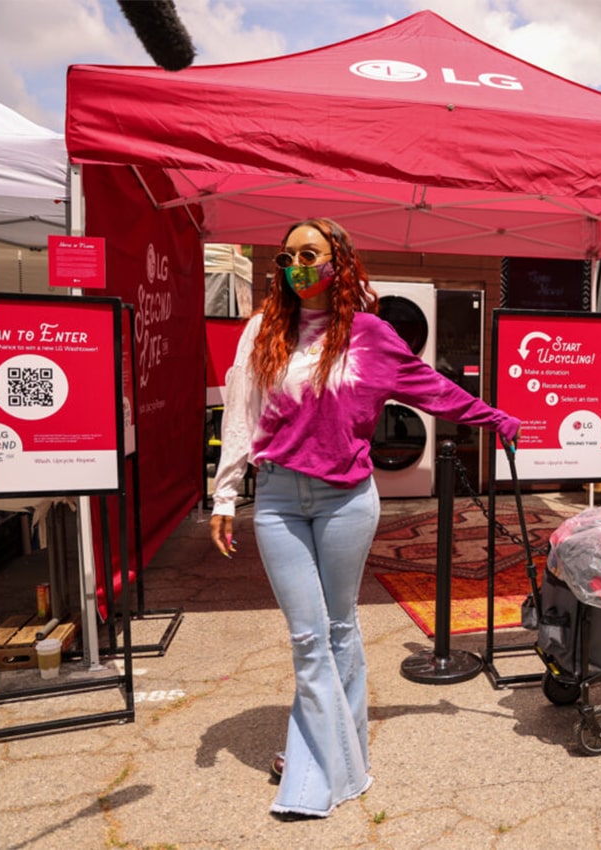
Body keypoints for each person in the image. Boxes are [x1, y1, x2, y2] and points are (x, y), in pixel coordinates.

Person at [210, 218, 520, 817]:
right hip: (276, 499)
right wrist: (226, 494)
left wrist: (496, 418)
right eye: (289, 256)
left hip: (346, 500)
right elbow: (240, 415)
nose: (298, 265)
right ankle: (332, 767)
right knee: (309, 638)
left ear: (338, 261)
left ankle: (324, 762)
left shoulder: (369, 336)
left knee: (341, 628)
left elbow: (434, 388)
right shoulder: (263, 331)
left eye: (311, 253)